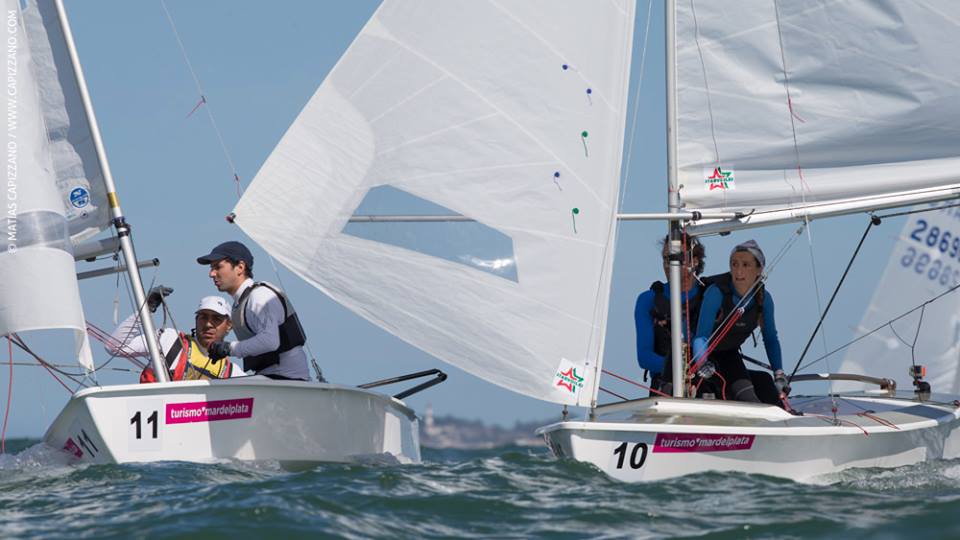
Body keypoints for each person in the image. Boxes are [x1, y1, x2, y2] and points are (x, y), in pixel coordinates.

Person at [196, 241, 310, 381]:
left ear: (240, 267)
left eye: (218, 267)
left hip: (287, 380)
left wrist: (229, 348)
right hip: (271, 379)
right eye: (211, 268)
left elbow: (270, 341)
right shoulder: (240, 303)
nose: (211, 274)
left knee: (218, 388)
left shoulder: (259, 296)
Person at [691, 240, 786, 403]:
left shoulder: (763, 299)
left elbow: (770, 339)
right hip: (702, 358)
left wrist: (779, 374)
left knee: (757, 394)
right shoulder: (716, 293)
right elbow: (701, 337)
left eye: (746, 265)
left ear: (759, 269)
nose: (738, 271)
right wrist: (702, 363)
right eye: (734, 264)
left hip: (729, 356)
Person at [106, 287, 243, 382]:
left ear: (229, 325)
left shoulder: (232, 373)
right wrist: (146, 308)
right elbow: (113, 347)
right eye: (203, 317)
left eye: (216, 319)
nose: (208, 324)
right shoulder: (170, 339)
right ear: (196, 320)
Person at [634, 235, 705, 395]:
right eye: (665, 259)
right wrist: (680, 369)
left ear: (694, 261)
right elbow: (644, 357)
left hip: (703, 382)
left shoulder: (709, 296)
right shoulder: (648, 299)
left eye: (675, 258)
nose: (668, 265)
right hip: (664, 384)